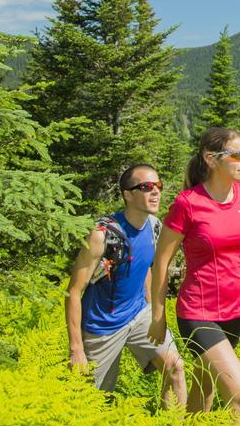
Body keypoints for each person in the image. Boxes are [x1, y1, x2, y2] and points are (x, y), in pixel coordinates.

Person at [148, 127, 240, 417]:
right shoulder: (188, 204)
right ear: (211, 159)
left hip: (235, 311)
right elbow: (161, 262)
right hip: (198, 312)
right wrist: (158, 317)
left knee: (204, 384)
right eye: (238, 155)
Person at [66, 163, 186, 408]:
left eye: (158, 186)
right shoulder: (102, 235)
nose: (156, 192)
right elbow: (73, 293)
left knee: (175, 369)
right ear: (128, 195)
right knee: (96, 403)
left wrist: (155, 314)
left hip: (138, 314)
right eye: (146, 187)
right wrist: (76, 349)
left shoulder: (154, 226)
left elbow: (145, 269)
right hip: (102, 327)